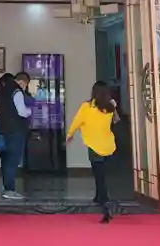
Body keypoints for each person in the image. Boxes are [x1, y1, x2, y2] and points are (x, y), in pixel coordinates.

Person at [66, 81, 118, 223]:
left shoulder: (86, 107)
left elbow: (76, 121)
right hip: (108, 146)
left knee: (99, 177)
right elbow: (116, 121)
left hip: (95, 147)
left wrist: (69, 135)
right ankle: (98, 197)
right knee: (101, 175)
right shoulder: (110, 107)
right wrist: (113, 106)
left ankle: (106, 206)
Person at [0, 71, 32, 200]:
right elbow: (22, 112)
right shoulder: (16, 91)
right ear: (23, 82)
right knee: (12, 161)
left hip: (3, 130)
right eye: (25, 85)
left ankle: (6, 187)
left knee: (5, 160)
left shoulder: (2, 91)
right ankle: (9, 190)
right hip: (15, 131)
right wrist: (30, 111)